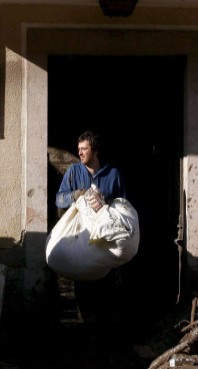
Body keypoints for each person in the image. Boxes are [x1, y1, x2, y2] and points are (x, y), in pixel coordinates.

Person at [54, 131, 128, 349]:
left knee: (105, 284)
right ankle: (88, 333)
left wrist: (108, 204)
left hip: (105, 239)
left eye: (84, 149)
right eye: (79, 149)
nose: (79, 152)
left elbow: (124, 204)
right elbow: (59, 198)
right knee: (83, 284)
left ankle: (105, 335)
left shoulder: (113, 174)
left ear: (95, 151)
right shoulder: (74, 172)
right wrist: (75, 195)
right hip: (82, 238)